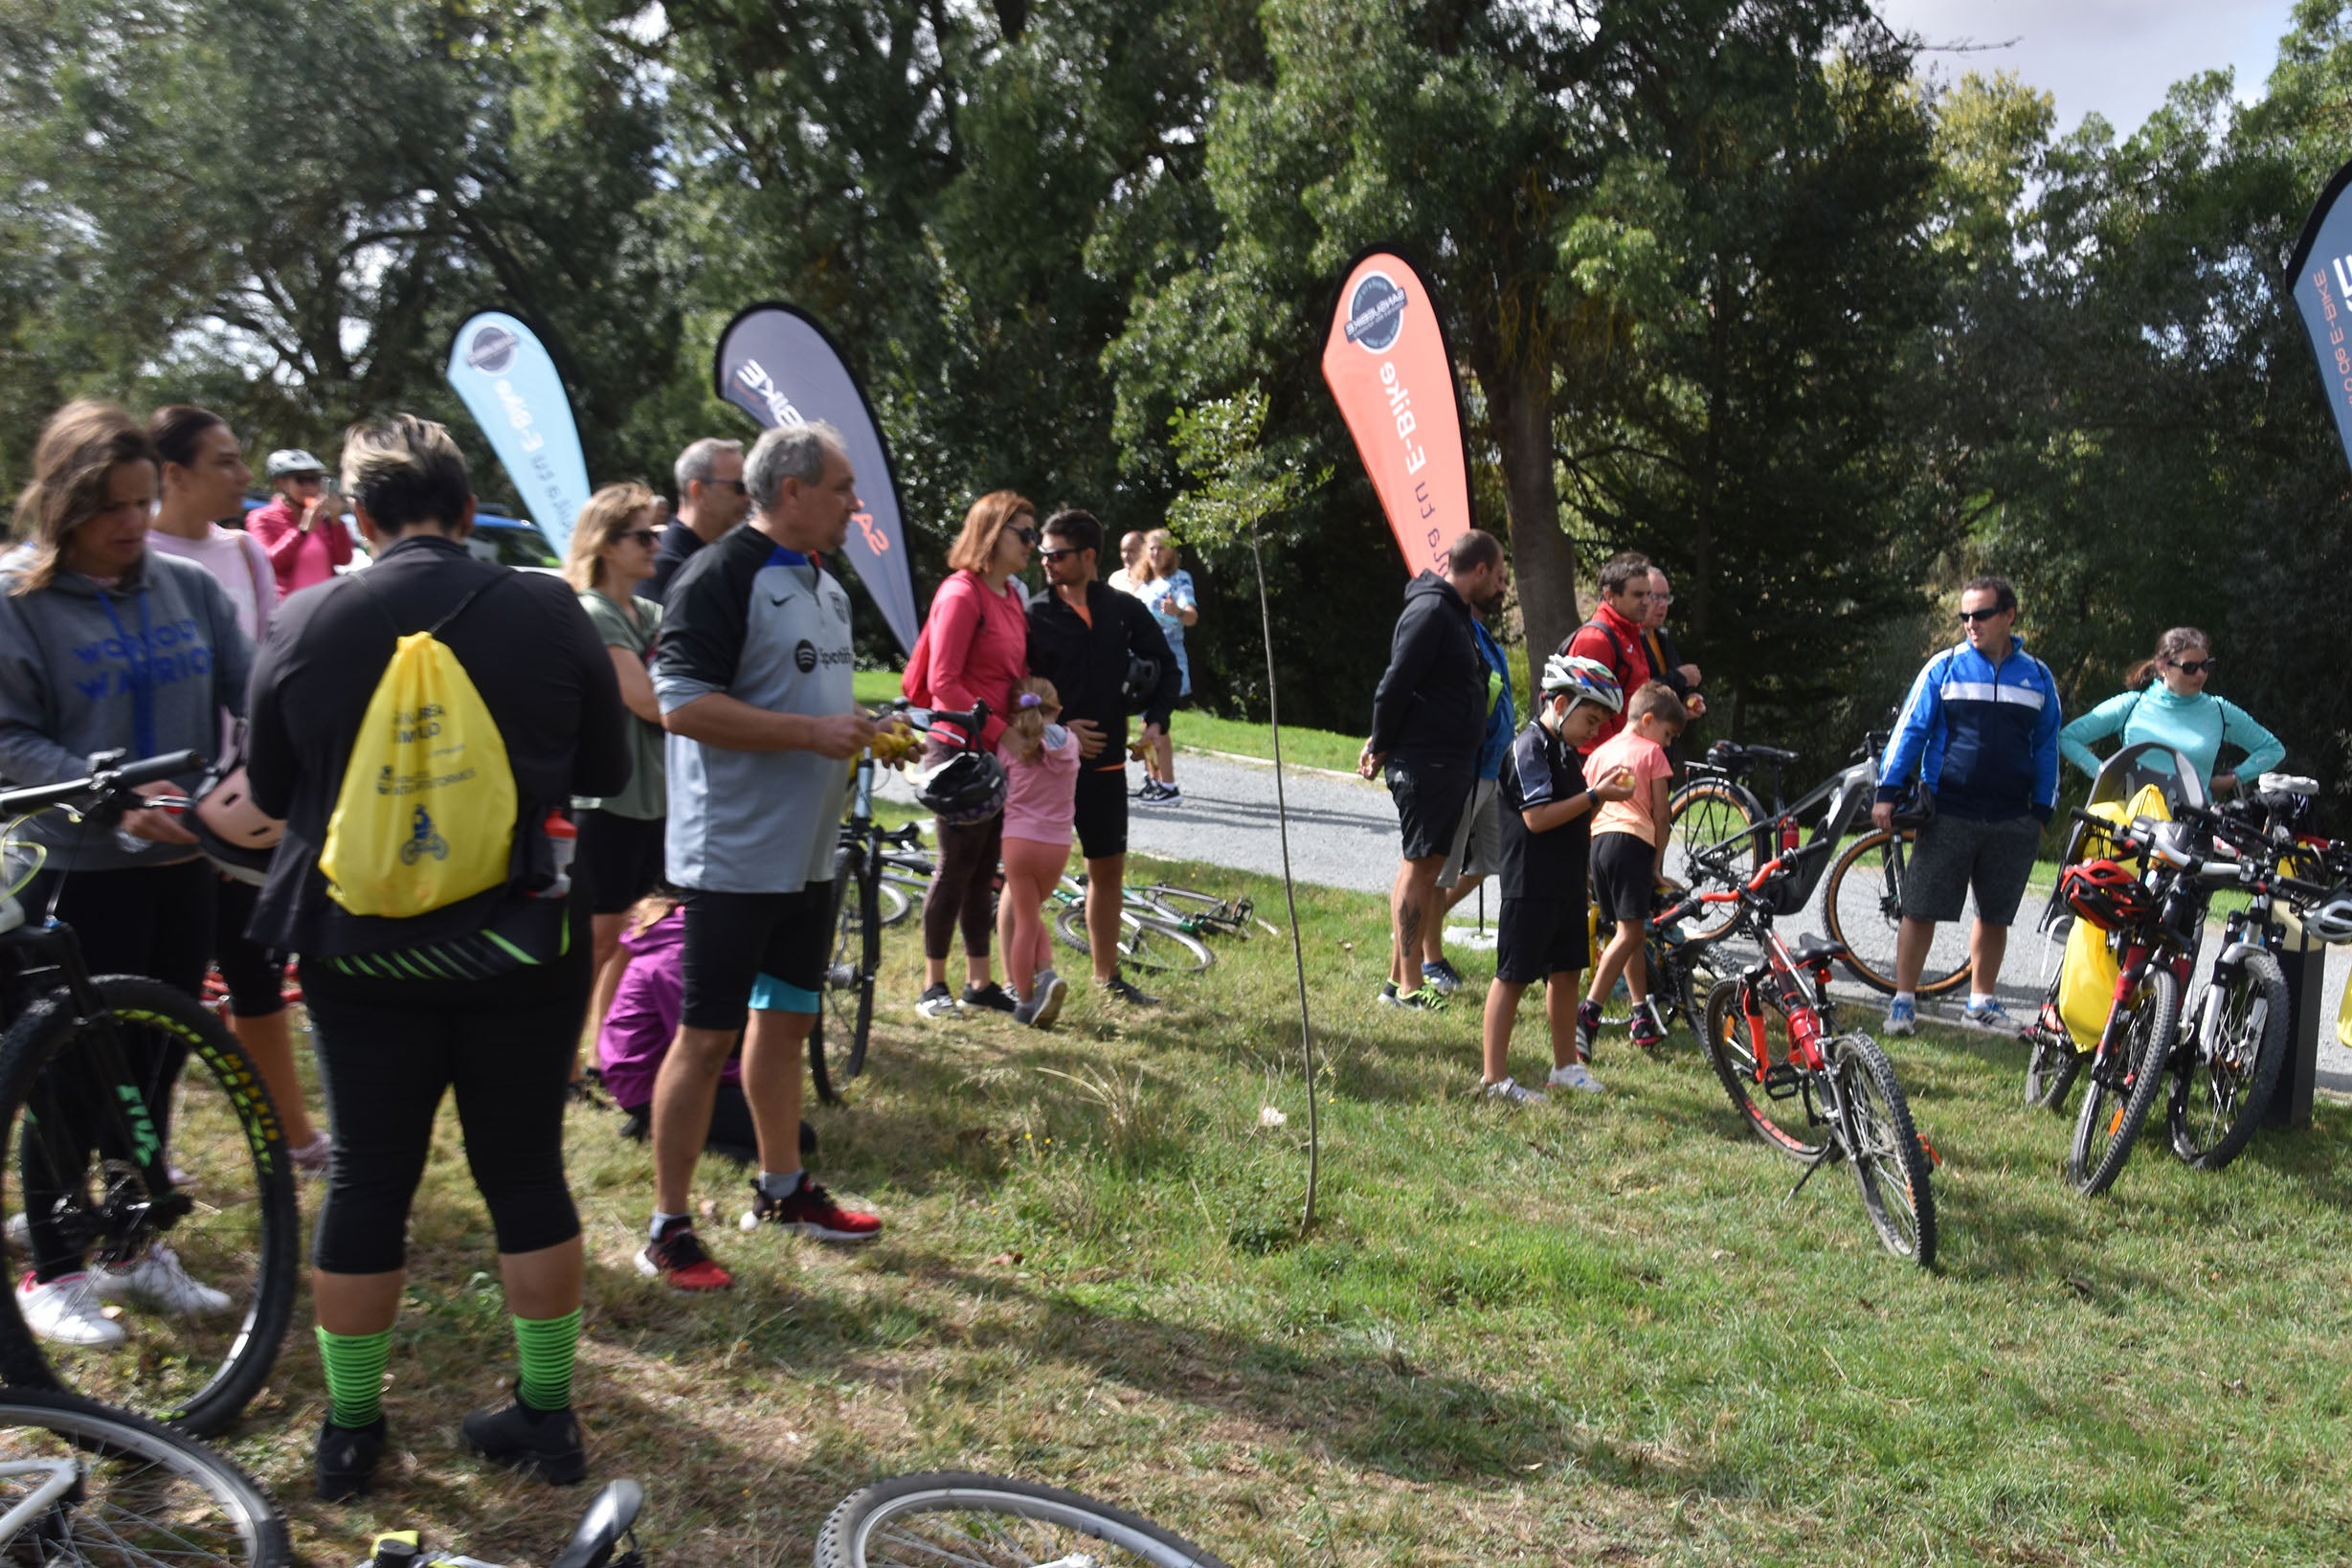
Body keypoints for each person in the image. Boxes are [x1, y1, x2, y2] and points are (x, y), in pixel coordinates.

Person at [241, 413, 630, 1498]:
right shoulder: (551, 611)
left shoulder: (307, 618)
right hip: (524, 942)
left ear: (357, 520)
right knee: (524, 1170)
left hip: (358, 953)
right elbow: (601, 760)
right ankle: (547, 1420)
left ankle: (352, 1430)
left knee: (368, 1176)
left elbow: (272, 795)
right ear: (466, 511)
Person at [0, 401, 255, 1348]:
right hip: (72, 869)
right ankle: (54, 1270)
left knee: (155, 1058)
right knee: (65, 1072)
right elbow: (7, 741)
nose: (133, 524)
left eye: (144, 502)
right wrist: (103, 798)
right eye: (111, 506)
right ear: (62, 503)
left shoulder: (190, 589)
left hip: (183, 863)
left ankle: (135, 1242)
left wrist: (244, 790)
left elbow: (253, 695)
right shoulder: (14, 602)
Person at [642, 420, 884, 1294]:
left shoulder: (824, 581)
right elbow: (679, 705)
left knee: (784, 1024)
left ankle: (781, 1190)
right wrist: (810, 733)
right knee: (706, 1037)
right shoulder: (717, 575)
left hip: (808, 853)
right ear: (790, 491)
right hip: (732, 853)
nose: (855, 504)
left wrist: (864, 730)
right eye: (841, 488)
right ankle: (668, 1225)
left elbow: (811, 694)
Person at [146, 405, 327, 1172]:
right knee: (164, 990)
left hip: (240, 810)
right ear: (173, 474)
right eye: (224, 461)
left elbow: (263, 673)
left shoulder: (245, 555)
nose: (243, 475)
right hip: (152, 818)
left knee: (257, 976)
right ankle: (144, 1150)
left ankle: (293, 1135)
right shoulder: (132, 556)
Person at [1871, 574, 2062, 1037]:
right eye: (1964, 616)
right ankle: (1903, 1002)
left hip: (2012, 815)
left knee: (1995, 915)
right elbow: (1912, 730)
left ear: (2009, 616)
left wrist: (2041, 810)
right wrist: (1887, 791)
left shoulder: (2037, 675)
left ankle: (1980, 1002)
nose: (1970, 624)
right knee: (1920, 909)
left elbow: (2047, 744)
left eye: (1980, 614)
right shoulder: (1945, 666)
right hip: (1949, 808)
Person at [899, 491, 1037, 1019]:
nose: (1031, 544)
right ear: (990, 534)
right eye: (1021, 533)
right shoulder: (962, 593)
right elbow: (943, 683)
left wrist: (1032, 712)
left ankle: (979, 982)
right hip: (959, 753)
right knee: (955, 866)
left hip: (996, 754)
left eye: (1032, 534)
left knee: (985, 871)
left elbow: (1006, 676)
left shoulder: (1010, 597)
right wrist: (1002, 732)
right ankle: (933, 986)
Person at [1358, 529, 1507, 1011]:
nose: (1503, 588)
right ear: (1479, 569)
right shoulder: (1429, 611)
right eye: (1500, 577)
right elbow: (1395, 682)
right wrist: (1380, 743)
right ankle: (1408, 988)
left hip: (1448, 762)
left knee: (1420, 869)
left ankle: (1395, 983)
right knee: (1420, 869)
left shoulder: (1455, 614)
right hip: (1426, 762)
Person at [1478, 655, 1632, 1103]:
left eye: (1603, 722)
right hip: (1530, 885)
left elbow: (1577, 815)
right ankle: (1494, 1078)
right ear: (1561, 703)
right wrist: (1595, 793)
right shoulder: (1528, 748)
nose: (1596, 730)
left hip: (1565, 883)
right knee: (1513, 975)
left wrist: (1598, 796)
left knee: (1566, 973)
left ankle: (1565, 1065)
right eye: (1591, 718)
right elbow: (1538, 818)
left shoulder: (1567, 752)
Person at [562, 482, 669, 1058]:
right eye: (643, 535)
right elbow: (651, 702)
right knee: (599, 939)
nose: (656, 544)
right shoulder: (593, 612)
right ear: (606, 544)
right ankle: (564, 1066)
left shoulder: (649, 612)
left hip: (652, 797)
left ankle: (609, 1053)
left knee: (633, 934)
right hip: (607, 802)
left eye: (658, 532)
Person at [596, 890, 818, 1163]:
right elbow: (698, 1044)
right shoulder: (680, 957)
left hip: (646, 1076)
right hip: (650, 1086)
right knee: (798, 1139)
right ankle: (661, 1130)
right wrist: (754, 1077)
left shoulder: (677, 936)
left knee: (777, 1117)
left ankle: (658, 1123)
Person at [1578, 683, 1686, 1056]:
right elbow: (1661, 812)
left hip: (1599, 845)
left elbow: (1586, 807)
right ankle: (1588, 1012)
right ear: (1649, 720)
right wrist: (1656, 865)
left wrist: (1586, 861)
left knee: (1630, 933)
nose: (1668, 743)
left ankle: (1640, 1014)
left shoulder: (1598, 754)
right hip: (1632, 843)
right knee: (1629, 934)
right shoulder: (1652, 753)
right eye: (1668, 734)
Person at [1420, 591, 1513, 997]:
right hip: (1467, 769)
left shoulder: (1483, 635)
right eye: (1497, 577)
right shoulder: (1455, 633)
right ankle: (1429, 958)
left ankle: (1423, 924)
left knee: (1484, 863)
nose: (1502, 588)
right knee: (1438, 870)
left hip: (1493, 767)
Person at [2058, 627, 2282, 797]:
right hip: (2132, 828)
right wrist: (2105, 773)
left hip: (2195, 829)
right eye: (2190, 668)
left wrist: (2236, 777)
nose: (2200, 675)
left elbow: (2272, 749)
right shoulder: (2131, 706)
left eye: (2206, 666)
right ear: (2163, 666)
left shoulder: (2220, 711)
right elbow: (2068, 738)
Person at [996, 678, 1081, 1028]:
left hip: (1019, 843)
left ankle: (1024, 1000)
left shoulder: (1012, 744)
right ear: (1058, 710)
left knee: (1026, 922)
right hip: (1058, 845)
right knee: (1032, 915)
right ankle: (1045, 975)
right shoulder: (1072, 742)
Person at [1558, 550, 1657, 750]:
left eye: (1649, 594)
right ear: (1609, 595)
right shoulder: (1597, 640)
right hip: (1602, 762)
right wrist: (1615, 759)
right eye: (1638, 595)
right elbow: (1587, 714)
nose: (1647, 601)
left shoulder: (1629, 633)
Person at [1130, 528, 1198, 804]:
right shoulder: (1144, 582)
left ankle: (1168, 786)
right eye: (1152, 549)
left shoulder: (1179, 581)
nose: (1156, 554)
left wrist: (1178, 612)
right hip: (1143, 664)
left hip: (1166, 665)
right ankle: (1154, 780)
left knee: (1158, 724)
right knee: (1146, 721)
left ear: (1172, 552)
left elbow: (1192, 616)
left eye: (1162, 548)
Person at [647, 437, 749, 603]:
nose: (748, 498)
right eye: (740, 487)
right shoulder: (664, 567)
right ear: (699, 491)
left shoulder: (735, 558)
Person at [246, 447, 352, 597]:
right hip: (285, 608)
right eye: (301, 480)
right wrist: (302, 531)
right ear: (281, 483)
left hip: (323, 606)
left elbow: (344, 559)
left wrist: (336, 521)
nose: (309, 486)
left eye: (314, 479)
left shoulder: (323, 519)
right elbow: (268, 563)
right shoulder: (261, 517)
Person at [1639, 567, 1706, 758]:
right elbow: (1642, 692)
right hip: (1641, 748)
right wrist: (1680, 677)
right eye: (1656, 597)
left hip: (1664, 749)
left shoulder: (1663, 640)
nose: (1662, 605)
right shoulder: (1631, 642)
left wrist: (1688, 701)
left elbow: (1672, 687)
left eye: (1666, 598)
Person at [1107, 529, 1146, 593]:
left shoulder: (1154, 579)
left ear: (1144, 551)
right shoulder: (1115, 579)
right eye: (1124, 551)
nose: (1126, 556)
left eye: (1131, 550)